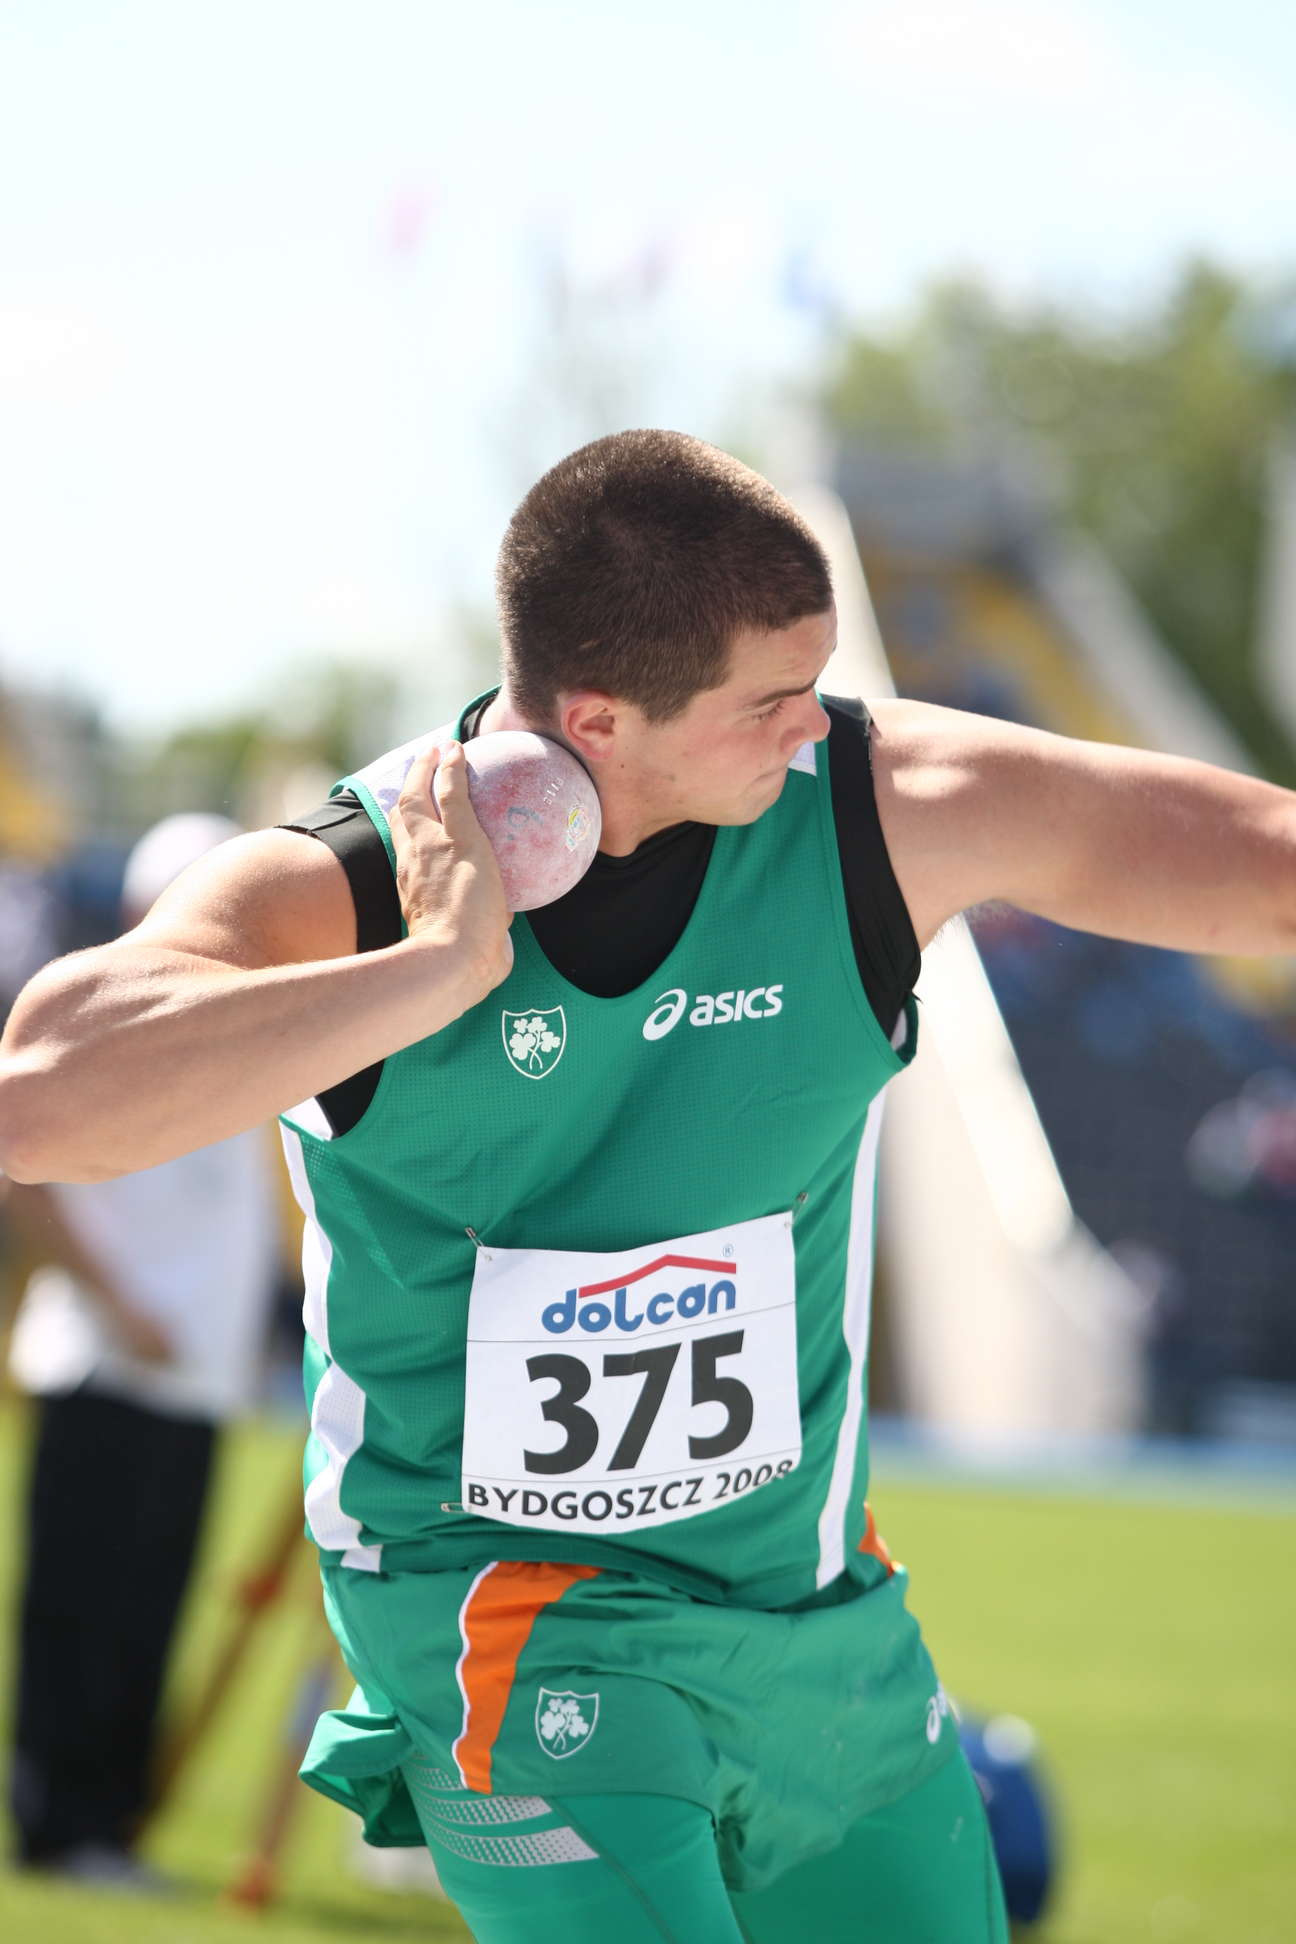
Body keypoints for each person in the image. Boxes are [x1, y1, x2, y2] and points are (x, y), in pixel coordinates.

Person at [1, 430, 1292, 1941]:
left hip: (804, 1614)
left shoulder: (872, 807)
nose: (814, 728)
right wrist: (433, 975)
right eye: (769, 703)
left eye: (818, 682)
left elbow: (1260, 864)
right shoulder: (366, 876)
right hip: (503, 1619)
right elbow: (41, 1098)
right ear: (599, 721)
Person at [4, 814, 282, 1889]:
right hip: (103, 1366)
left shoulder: (247, 1035)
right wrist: (118, 1305)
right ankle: (59, 1826)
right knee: (81, 1610)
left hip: (195, 1379)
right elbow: (22, 1173)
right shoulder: (101, 1021)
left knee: (148, 1610)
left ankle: (107, 1831)